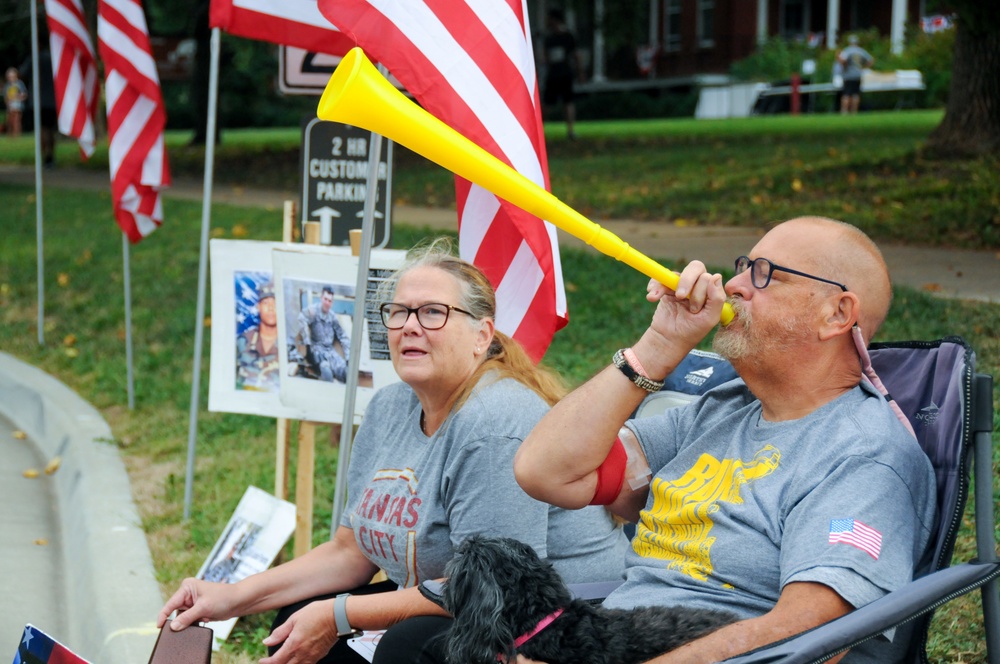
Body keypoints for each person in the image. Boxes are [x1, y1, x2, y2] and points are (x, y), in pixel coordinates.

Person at [158, 239, 627, 664]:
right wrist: (230, 596)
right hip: (457, 599)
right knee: (296, 615)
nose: (410, 327)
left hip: (552, 614)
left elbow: (493, 585)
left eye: (433, 313)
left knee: (403, 647)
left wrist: (339, 615)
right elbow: (350, 552)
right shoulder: (387, 407)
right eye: (398, 312)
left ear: (482, 335)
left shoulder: (495, 420)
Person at [514, 217, 937, 663]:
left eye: (765, 274)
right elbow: (546, 472)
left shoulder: (863, 455)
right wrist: (659, 345)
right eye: (742, 266)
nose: (733, 284)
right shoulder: (723, 409)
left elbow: (811, 636)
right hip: (612, 641)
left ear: (836, 313)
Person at [542, 8, 583, 140]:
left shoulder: (567, 37)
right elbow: (546, 57)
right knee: (547, 103)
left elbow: (575, 55)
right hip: (553, 75)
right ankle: (539, 132)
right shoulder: (549, 39)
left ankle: (571, 130)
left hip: (564, 74)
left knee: (568, 102)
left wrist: (580, 72)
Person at [298, 285, 351, 383]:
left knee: (346, 372)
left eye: (330, 301)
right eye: (325, 299)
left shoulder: (332, 316)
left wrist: (348, 357)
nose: (327, 303)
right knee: (327, 373)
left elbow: (343, 336)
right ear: (321, 298)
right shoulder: (313, 311)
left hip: (331, 352)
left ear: (332, 302)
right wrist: (308, 344)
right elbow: (301, 318)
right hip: (317, 351)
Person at [236, 281, 280, 391]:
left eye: (275, 303)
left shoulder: (292, 345)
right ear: (258, 307)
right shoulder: (243, 341)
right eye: (266, 303)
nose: (271, 308)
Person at [19, 46, 57, 166]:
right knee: (50, 129)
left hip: (38, 100)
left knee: (42, 128)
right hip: (52, 99)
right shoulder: (52, 58)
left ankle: (45, 156)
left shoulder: (33, 58)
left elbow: (21, 73)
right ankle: (51, 154)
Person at [837, 35, 874, 114]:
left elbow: (842, 60)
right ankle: (854, 111)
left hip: (848, 75)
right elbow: (870, 60)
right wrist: (863, 67)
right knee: (855, 94)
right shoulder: (861, 51)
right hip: (858, 74)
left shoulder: (847, 51)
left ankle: (845, 111)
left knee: (846, 94)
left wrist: (844, 66)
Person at [4, 67, 28, 138]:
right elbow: (5, 95)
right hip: (10, 105)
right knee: (10, 121)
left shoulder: (20, 84)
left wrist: (19, 97)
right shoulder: (7, 85)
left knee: (16, 120)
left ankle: (17, 134)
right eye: (9, 76)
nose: (11, 78)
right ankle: (10, 135)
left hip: (18, 105)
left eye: (12, 76)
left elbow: (24, 94)